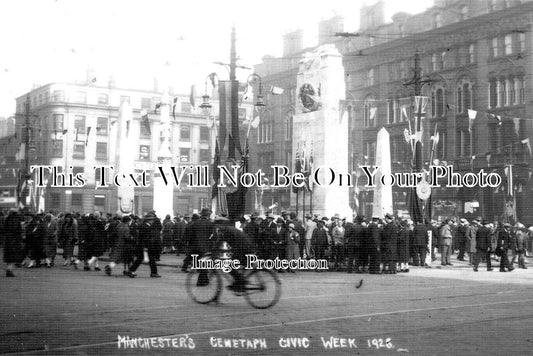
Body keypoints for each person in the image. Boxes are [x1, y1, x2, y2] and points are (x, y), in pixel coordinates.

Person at [127, 212, 162, 278]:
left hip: (146, 246)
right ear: (148, 220)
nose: (153, 221)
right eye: (152, 220)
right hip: (145, 246)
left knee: (148, 259)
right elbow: (143, 238)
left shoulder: (146, 225)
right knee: (142, 259)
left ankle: (153, 273)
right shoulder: (145, 226)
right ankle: (131, 270)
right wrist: (145, 247)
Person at [4, 209, 23, 277]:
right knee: (14, 256)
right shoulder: (16, 219)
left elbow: (5, 229)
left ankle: (9, 269)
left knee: (9, 256)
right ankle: (9, 270)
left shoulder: (7, 219)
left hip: (8, 240)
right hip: (14, 240)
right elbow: (16, 230)